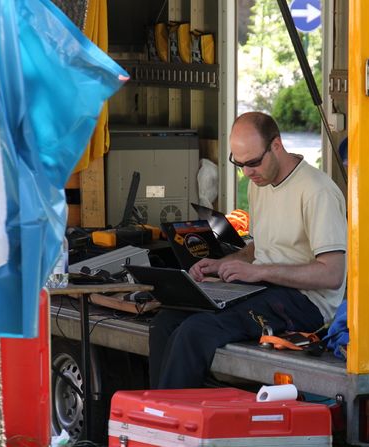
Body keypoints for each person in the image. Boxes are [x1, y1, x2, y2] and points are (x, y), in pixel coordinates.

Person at [148, 112, 347, 389]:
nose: (247, 173)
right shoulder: (260, 183)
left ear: (276, 145)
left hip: (306, 303)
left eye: (253, 162)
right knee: (166, 322)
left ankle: (174, 424)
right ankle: (153, 416)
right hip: (264, 288)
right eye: (239, 164)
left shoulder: (317, 191)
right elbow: (261, 247)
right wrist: (223, 263)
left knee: (196, 332)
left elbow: (332, 274)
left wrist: (257, 272)